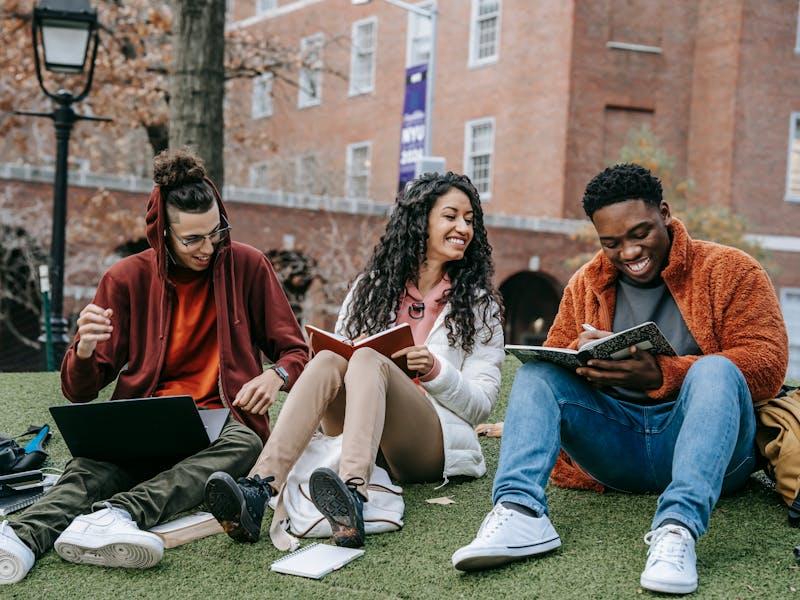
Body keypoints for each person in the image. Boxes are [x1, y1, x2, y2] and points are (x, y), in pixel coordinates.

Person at [452, 163, 788, 595]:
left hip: (710, 453)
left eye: (639, 234)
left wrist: (663, 373)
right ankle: (519, 512)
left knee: (716, 369)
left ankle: (677, 529)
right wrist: (586, 361)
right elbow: (557, 356)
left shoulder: (731, 271)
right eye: (611, 242)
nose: (628, 253)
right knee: (538, 373)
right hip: (616, 449)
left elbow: (768, 363)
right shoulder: (586, 282)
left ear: (664, 213)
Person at [0, 149, 309, 585]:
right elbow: (79, 390)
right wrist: (85, 350)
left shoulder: (248, 265)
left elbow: (297, 351)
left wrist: (274, 375)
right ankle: (18, 537)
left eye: (216, 232)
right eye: (193, 240)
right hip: (143, 418)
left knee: (247, 445)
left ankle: (118, 514)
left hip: (219, 423)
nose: (209, 247)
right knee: (91, 467)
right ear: (162, 233)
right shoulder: (125, 278)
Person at [204, 171, 505, 548]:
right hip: (356, 430)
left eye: (469, 219)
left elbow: (480, 405)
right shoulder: (372, 288)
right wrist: (350, 347)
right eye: (450, 216)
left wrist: (434, 370)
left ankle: (353, 494)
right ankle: (259, 489)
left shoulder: (478, 305)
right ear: (420, 221)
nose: (463, 227)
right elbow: (339, 360)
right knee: (332, 358)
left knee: (367, 361)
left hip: (427, 444)